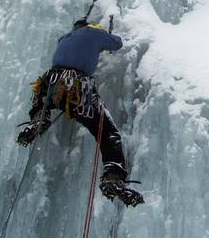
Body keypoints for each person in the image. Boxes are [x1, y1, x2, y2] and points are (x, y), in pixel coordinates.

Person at [17, 18, 144, 207]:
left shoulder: (64, 38)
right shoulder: (94, 32)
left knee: (41, 101)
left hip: (50, 83)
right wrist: (104, 39)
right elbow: (117, 43)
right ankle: (113, 175)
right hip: (75, 86)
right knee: (107, 131)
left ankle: (39, 118)